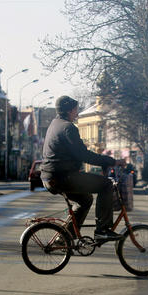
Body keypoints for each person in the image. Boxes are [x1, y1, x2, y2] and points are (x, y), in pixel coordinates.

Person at [40, 95, 120, 241]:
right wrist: (109, 161)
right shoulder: (68, 127)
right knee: (106, 185)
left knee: (86, 200)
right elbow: (83, 155)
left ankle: (65, 237)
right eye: (76, 110)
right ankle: (102, 230)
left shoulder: (55, 123)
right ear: (69, 110)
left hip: (50, 177)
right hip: (62, 177)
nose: (77, 113)